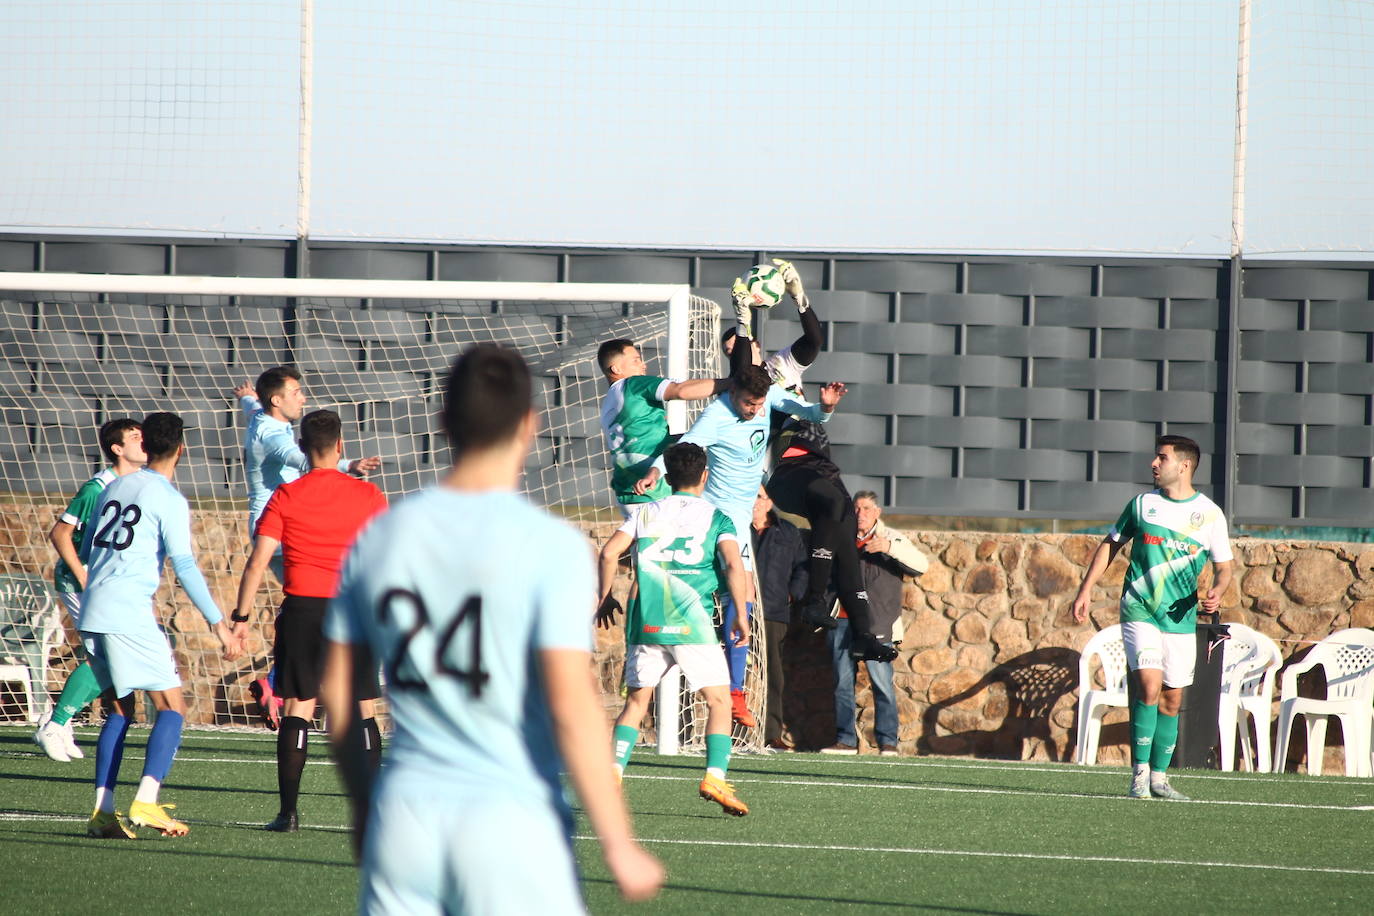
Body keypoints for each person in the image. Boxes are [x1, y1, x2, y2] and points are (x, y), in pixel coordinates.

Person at [320, 344, 663, 912]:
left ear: (443, 421)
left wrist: (363, 806)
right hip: (511, 815)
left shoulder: (380, 535)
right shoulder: (550, 544)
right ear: (530, 425)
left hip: (406, 814)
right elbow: (572, 703)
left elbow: (336, 688)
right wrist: (619, 845)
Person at [78, 412, 240, 838]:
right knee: (172, 707)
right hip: (126, 611)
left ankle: (103, 813)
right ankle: (147, 802)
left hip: (93, 607)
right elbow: (184, 565)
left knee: (119, 708)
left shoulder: (114, 485)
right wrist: (218, 624)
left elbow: (89, 541)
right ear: (181, 449)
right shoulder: (167, 497)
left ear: (144, 445)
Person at [727, 264, 898, 664]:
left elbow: (814, 340)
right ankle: (815, 600)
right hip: (788, 473)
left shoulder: (781, 366)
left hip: (822, 467)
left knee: (846, 549)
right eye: (738, 345)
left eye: (747, 342)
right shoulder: (742, 385)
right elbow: (741, 357)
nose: (747, 347)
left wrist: (797, 294)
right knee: (836, 507)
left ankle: (864, 633)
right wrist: (740, 313)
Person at [232, 409, 389, 833]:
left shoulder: (285, 495)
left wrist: (241, 617)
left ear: (301, 448)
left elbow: (257, 562)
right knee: (362, 708)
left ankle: (288, 813)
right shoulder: (370, 495)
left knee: (299, 705)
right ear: (341, 446)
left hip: (303, 611)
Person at [1071, 435, 1234, 800]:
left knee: (1172, 699)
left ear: (1184, 466)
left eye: (1162, 458)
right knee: (1148, 684)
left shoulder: (1209, 514)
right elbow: (1110, 544)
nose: (1154, 464)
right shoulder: (1142, 505)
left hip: (1180, 618)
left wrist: (1217, 591)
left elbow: (1224, 568)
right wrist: (1085, 590)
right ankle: (1139, 776)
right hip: (1139, 608)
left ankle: (1160, 778)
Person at [679, 363, 844, 723]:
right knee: (724, 595)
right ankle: (714, 684)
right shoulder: (716, 414)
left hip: (740, 520)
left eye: (758, 403)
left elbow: (808, 413)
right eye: (747, 403)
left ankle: (733, 691)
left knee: (741, 601)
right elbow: (685, 449)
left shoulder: (769, 399)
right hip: (715, 516)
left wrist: (826, 408)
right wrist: (656, 472)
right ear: (732, 393)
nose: (754, 410)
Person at [596, 442, 752, 815]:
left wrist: (603, 597)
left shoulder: (646, 512)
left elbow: (607, 553)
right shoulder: (718, 517)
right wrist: (741, 615)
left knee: (636, 702)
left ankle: (612, 775)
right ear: (705, 476)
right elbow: (733, 564)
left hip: (648, 620)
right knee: (718, 701)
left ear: (666, 477)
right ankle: (714, 776)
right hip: (691, 622)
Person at [233, 367, 380, 728]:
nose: (304, 397)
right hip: (279, 529)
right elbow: (302, 459)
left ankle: (283, 680)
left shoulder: (261, 415)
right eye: (296, 391)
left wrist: (247, 397)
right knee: (314, 607)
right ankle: (278, 683)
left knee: (307, 611)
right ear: (277, 400)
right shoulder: (272, 433)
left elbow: (254, 408)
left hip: (285, 520)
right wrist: (348, 465)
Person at [34, 419, 146, 763]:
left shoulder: (138, 485)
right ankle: (55, 724)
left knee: (113, 658)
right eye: (135, 437)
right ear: (117, 448)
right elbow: (59, 534)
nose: (144, 442)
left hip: (110, 586)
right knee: (108, 657)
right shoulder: (97, 488)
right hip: (81, 584)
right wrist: (83, 575)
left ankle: (56, 721)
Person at [822, 491, 927, 756]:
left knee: (882, 683)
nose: (861, 514)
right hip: (843, 620)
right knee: (841, 683)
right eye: (856, 509)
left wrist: (888, 549)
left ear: (877, 512)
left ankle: (887, 741)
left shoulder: (891, 538)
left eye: (867, 509)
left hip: (878, 623)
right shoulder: (841, 536)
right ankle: (845, 740)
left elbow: (921, 564)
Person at [597, 338, 728, 516]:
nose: (643, 365)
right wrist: (731, 383)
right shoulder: (633, 385)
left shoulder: (609, 404)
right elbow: (680, 391)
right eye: (635, 360)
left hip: (629, 492)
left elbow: (643, 439)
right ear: (616, 369)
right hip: (652, 491)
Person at [750, 489, 808, 751]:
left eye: (760, 496)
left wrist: (791, 595)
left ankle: (771, 733)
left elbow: (803, 568)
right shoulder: (734, 528)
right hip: (738, 611)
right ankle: (731, 730)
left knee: (773, 675)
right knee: (733, 674)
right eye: (750, 495)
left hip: (773, 613)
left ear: (770, 502)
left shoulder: (788, 531)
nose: (754, 502)